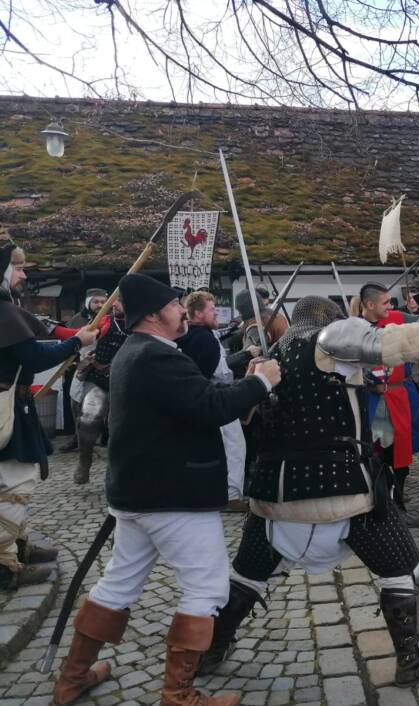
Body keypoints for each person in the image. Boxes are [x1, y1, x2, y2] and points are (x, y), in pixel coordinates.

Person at [197, 296, 419, 685]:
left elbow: (249, 413)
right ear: (332, 318)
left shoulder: (275, 353)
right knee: (407, 573)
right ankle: (411, 661)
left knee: (245, 578)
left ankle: (210, 652)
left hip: (272, 496)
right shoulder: (331, 335)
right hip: (342, 492)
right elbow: (392, 345)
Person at [51, 273, 280, 706]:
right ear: (155, 315)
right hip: (173, 496)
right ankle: (179, 695)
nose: (182, 311)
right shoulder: (156, 356)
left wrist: (244, 380)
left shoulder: (137, 352)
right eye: (175, 306)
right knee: (207, 589)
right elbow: (209, 408)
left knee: (117, 586)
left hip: (139, 494)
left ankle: (72, 680)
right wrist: (263, 381)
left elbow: (195, 396)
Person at [0, 240, 97, 590]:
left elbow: (40, 328)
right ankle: (5, 564)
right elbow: (36, 357)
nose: (24, 274)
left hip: (14, 403)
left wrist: (72, 336)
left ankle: (19, 546)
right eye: (19, 267)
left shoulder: (8, 310)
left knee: (14, 481)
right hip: (6, 408)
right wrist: (77, 343)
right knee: (13, 485)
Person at [177, 291, 261, 509]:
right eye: (212, 310)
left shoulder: (189, 335)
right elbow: (220, 373)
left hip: (197, 398)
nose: (216, 314)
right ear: (196, 313)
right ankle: (231, 495)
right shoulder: (202, 338)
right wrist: (246, 356)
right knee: (234, 445)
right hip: (212, 398)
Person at [359, 283, 419, 527]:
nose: (390, 307)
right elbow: (348, 364)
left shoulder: (397, 318)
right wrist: (370, 381)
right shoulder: (354, 330)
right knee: (375, 456)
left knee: (400, 459)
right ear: (369, 305)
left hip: (398, 398)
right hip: (372, 401)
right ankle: (380, 506)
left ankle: (397, 506)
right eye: (385, 303)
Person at [72, 299, 129, 485]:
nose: (115, 304)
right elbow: (86, 339)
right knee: (89, 417)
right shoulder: (104, 321)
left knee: (121, 425)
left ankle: (117, 470)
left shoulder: (140, 323)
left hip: (127, 381)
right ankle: (84, 461)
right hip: (99, 378)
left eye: (120, 301)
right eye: (114, 301)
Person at [61, 288, 108, 450]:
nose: (100, 305)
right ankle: (78, 438)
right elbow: (69, 342)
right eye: (96, 301)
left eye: (103, 302)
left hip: (104, 367)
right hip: (82, 366)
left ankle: (101, 438)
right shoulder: (77, 320)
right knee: (76, 403)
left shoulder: (111, 319)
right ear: (88, 302)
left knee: (100, 406)